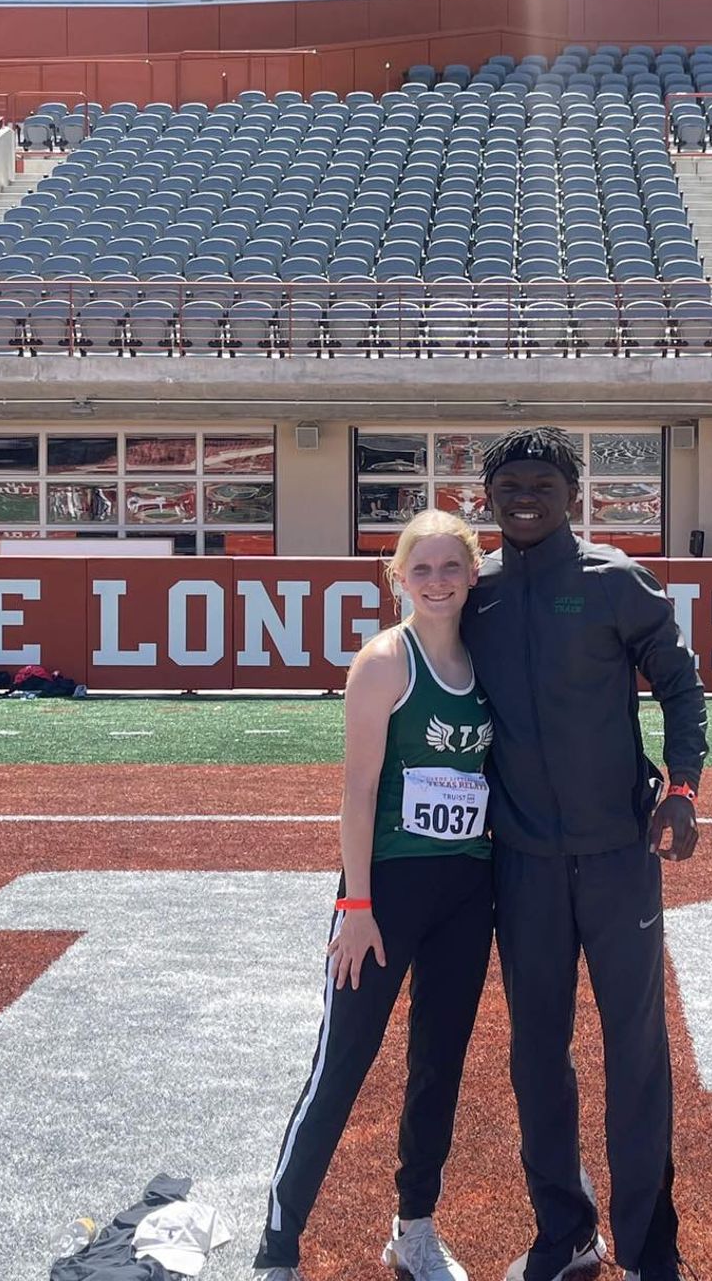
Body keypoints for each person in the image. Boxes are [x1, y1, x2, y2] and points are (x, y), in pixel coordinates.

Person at [459, 427, 708, 1281]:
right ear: (486, 499)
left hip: (616, 854)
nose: (525, 497)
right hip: (521, 860)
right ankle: (563, 1231)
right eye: (509, 485)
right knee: (536, 1053)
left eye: (543, 483)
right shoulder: (473, 592)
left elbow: (679, 682)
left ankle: (646, 1247)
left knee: (634, 1048)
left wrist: (683, 789)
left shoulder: (615, 580)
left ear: (574, 496)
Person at [253, 511, 494, 1281]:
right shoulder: (386, 664)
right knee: (340, 1068)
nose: (436, 582)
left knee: (438, 1068)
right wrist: (355, 910)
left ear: (472, 574)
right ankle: (277, 1249)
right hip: (382, 893)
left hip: (466, 891)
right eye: (419, 570)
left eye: (449, 568)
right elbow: (357, 795)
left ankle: (414, 1229)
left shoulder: (489, 662)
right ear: (398, 578)